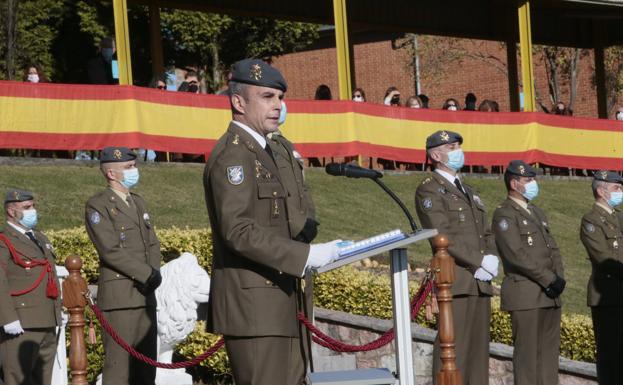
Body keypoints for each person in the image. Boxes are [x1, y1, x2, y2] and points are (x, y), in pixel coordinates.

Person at [203, 58, 342, 385]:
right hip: (255, 309)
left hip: (281, 301)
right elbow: (237, 230)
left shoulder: (266, 150)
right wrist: (303, 256)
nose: (278, 106)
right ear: (238, 102)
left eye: (280, 98)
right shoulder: (234, 154)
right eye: (267, 97)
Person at [415, 130, 498, 385]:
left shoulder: (470, 191)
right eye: (451, 147)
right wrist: (478, 261)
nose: (457, 151)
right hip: (456, 280)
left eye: (458, 146)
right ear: (435, 155)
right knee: (453, 353)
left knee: (477, 355)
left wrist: (492, 257)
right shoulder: (429, 190)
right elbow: (442, 234)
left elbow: (485, 231)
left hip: (479, 282)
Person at [85, 147, 162, 385]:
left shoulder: (138, 202)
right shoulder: (98, 205)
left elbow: (152, 243)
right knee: (119, 370)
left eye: (134, 165)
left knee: (146, 369)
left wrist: (154, 274)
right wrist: (145, 274)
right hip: (120, 298)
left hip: (145, 296)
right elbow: (110, 250)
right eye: (128, 167)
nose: (134, 171)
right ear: (110, 173)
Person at [492, 160, 565, 385]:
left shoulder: (536, 212)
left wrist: (559, 278)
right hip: (526, 294)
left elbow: (553, 249)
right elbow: (516, 254)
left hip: (549, 295)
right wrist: (549, 279)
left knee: (549, 358)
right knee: (528, 359)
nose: (533, 184)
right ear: (514, 184)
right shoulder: (505, 214)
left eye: (533, 179)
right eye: (528, 180)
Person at [0, 189, 62, 385]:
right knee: (18, 379)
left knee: (43, 380)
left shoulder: (40, 238)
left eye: (33, 206)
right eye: (27, 207)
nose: (32, 211)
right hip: (21, 323)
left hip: (47, 319)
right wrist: (7, 318)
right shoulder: (4, 240)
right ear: (11, 211)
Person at [580, 170, 623, 385]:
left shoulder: (619, 217)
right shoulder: (592, 220)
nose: (621, 192)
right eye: (616, 188)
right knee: (610, 356)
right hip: (607, 296)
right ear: (601, 191)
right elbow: (603, 257)